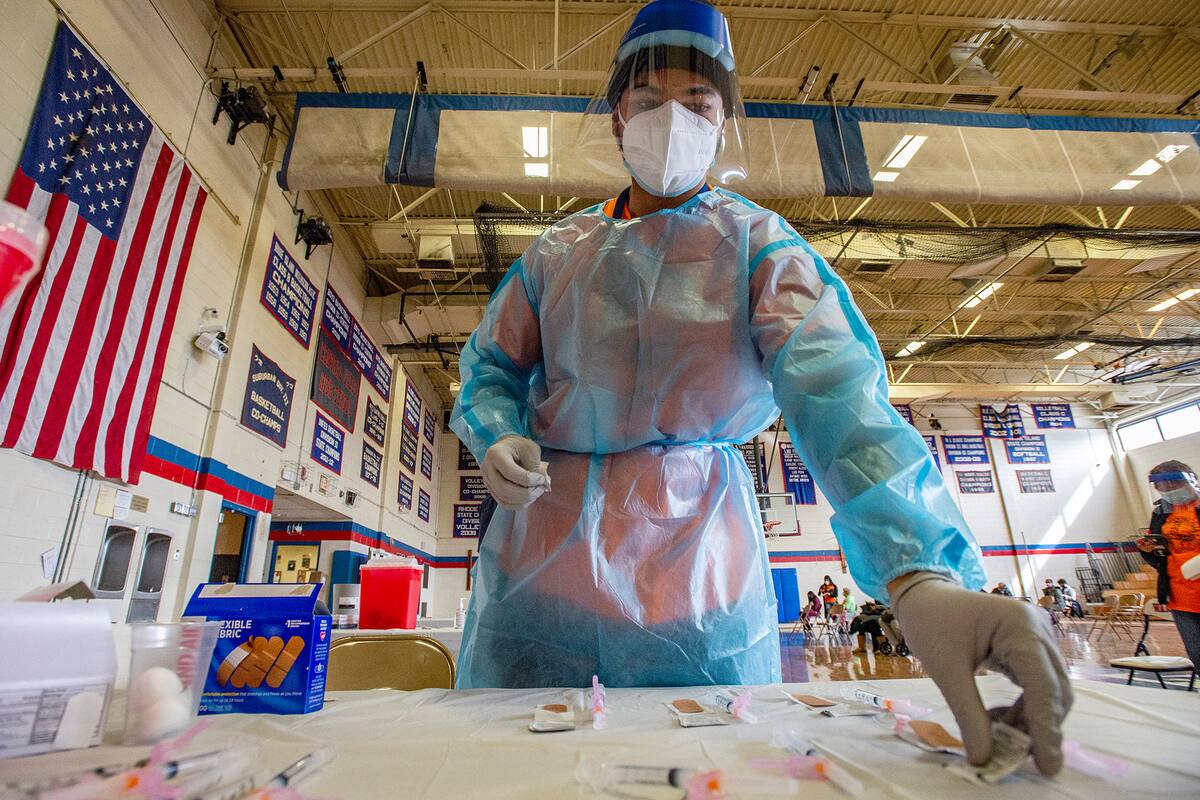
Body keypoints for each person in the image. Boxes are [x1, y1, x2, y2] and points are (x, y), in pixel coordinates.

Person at [450, 0, 1070, 776]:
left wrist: (919, 576)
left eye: (697, 102)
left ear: (723, 118)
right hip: (542, 575)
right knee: (511, 778)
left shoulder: (759, 247)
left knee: (709, 769)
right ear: (616, 117)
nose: (670, 120)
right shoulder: (554, 255)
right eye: (647, 101)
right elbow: (489, 369)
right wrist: (498, 431)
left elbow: (838, 396)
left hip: (697, 576)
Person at [1136, 461, 1200, 673]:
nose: (1169, 491)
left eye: (1174, 485)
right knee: (1196, 651)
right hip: (1180, 594)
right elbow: (1160, 558)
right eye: (1163, 487)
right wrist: (1148, 550)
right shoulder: (1161, 513)